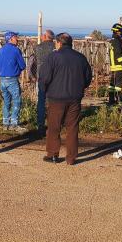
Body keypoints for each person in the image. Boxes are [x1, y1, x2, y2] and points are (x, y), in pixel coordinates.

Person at [39, 33, 92, 165]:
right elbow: (88, 78)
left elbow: (44, 78)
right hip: (75, 98)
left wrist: (44, 91)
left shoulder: (53, 57)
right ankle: (71, 158)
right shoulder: (81, 58)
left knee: (54, 127)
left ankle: (53, 154)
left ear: (59, 43)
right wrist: (80, 88)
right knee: (72, 127)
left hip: (56, 98)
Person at [0, 31, 27, 131]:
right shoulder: (16, 50)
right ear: (10, 39)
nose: (17, 39)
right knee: (17, 101)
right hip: (13, 80)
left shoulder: (0, 50)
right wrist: (16, 69)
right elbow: (23, 66)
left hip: (2, 80)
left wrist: (3, 68)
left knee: (6, 101)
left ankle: (5, 123)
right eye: (15, 37)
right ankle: (14, 124)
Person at [29, 29, 55, 133]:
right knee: (53, 102)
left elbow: (31, 63)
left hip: (41, 78)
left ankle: (40, 124)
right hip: (54, 79)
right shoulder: (56, 48)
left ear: (45, 37)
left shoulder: (37, 48)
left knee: (41, 101)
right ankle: (53, 123)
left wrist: (32, 76)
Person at [107, 22, 122, 104]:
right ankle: (119, 99)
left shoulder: (111, 41)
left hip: (113, 66)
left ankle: (111, 99)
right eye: (121, 31)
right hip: (119, 66)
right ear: (117, 31)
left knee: (112, 84)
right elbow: (119, 55)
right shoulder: (117, 41)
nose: (121, 33)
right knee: (118, 83)